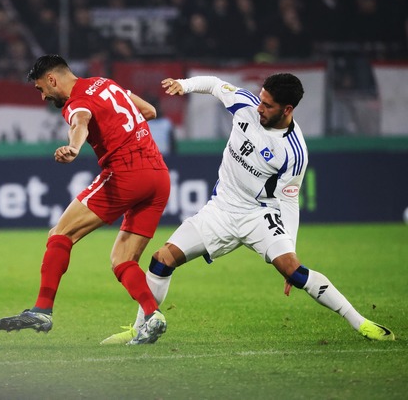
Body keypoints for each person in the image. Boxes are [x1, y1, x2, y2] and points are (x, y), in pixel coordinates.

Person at [102, 73, 395, 344]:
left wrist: (289, 248)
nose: (260, 108)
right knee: (161, 259)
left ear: (287, 109)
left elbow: (289, 200)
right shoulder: (246, 105)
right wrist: (184, 84)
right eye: (261, 100)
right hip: (219, 210)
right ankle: (140, 329)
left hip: (258, 215)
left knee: (294, 271)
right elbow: (216, 85)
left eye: (268, 105)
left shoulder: (294, 152)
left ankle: (360, 322)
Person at [0, 54, 171, 345]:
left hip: (127, 173)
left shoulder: (76, 102)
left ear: (52, 79)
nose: (42, 97)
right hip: (159, 176)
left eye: (41, 89)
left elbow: (80, 122)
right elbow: (149, 111)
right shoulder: (106, 84)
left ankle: (42, 309)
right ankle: (153, 315)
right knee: (122, 259)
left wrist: (74, 148)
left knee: (60, 234)